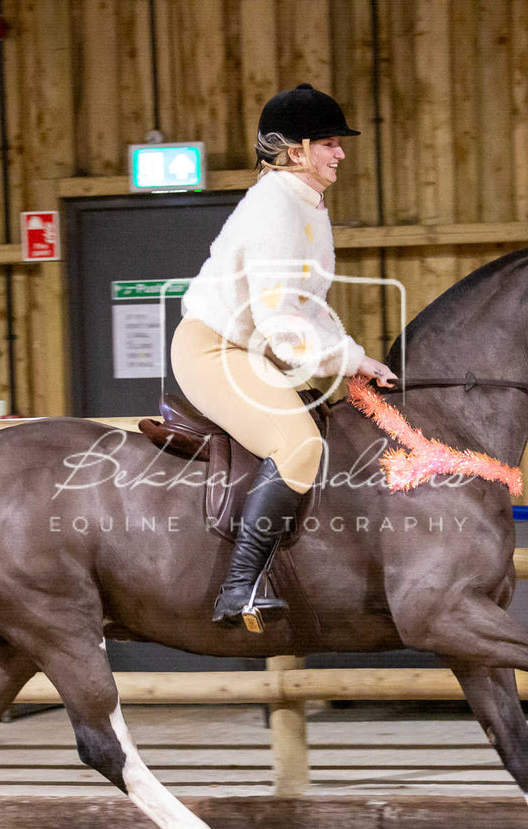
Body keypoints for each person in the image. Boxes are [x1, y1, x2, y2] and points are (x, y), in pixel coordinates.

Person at [172, 83, 398, 630]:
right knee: (298, 446)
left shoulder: (306, 206)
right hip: (215, 348)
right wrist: (346, 361)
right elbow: (279, 322)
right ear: (295, 151)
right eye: (329, 143)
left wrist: (355, 358)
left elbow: (307, 306)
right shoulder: (276, 208)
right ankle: (239, 587)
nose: (340, 153)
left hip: (253, 349)